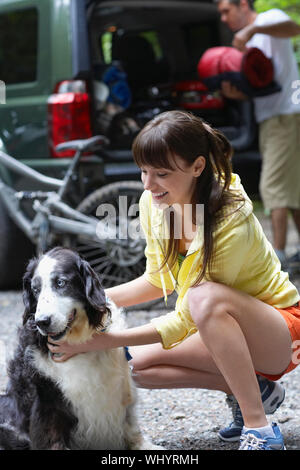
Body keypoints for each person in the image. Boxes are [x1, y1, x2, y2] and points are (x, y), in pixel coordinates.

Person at [47, 110, 300, 450]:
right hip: (221, 329)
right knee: (130, 367)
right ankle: (257, 388)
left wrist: (100, 340)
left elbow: (187, 317)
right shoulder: (156, 203)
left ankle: (261, 429)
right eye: (144, 171)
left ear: (197, 167)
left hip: (280, 333)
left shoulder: (230, 219)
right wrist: (84, 304)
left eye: (161, 173)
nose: (148, 184)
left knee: (202, 298)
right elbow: (156, 279)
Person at [215, 0, 300, 271]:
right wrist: (236, 94)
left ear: (242, 4)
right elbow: (261, 87)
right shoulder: (246, 44)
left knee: (272, 186)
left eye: (227, 11)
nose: (224, 19)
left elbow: (293, 27)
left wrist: (251, 31)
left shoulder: (268, 19)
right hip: (271, 117)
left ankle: (279, 256)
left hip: (286, 115)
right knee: (292, 187)